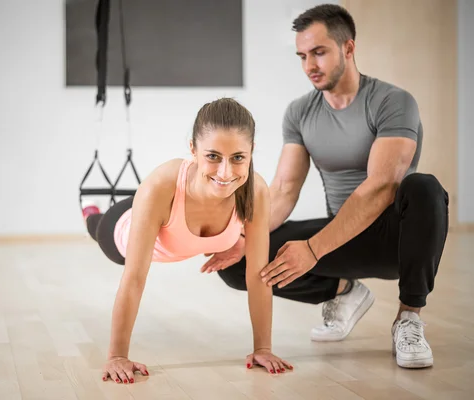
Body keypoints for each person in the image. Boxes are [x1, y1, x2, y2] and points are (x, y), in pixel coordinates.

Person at [204, 4, 449, 369]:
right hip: (342, 236)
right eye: (302, 56)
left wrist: (314, 250)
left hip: (396, 241)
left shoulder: (392, 102)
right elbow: (285, 188)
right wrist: (242, 238)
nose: (309, 66)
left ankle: (409, 317)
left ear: (348, 48)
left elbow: (382, 186)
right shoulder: (300, 112)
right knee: (238, 262)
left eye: (319, 52)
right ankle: (345, 292)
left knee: (424, 187)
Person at [83, 98, 294, 384]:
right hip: (121, 230)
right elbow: (134, 279)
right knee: (97, 226)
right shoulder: (161, 183)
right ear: (193, 149)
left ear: (252, 151)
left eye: (238, 158)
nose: (225, 172)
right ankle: (91, 213)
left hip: (164, 217)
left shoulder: (255, 190)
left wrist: (263, 349)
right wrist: (117, 356)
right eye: (213, 156)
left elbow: (257, 276)